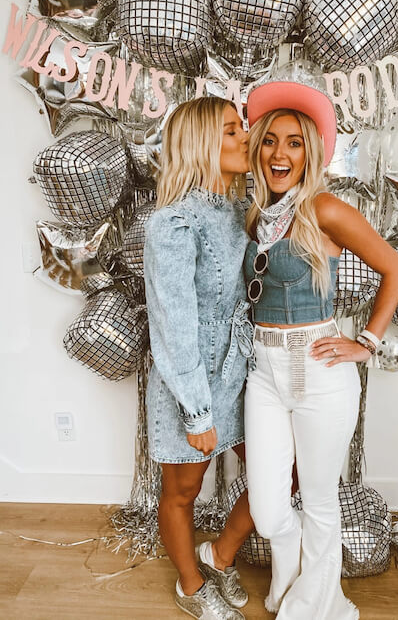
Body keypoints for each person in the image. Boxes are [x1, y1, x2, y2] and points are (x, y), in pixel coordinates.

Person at [243, 78, 398, 619]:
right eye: (270, 141)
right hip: (263, 372)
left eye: (293, 142)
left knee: (318, 500)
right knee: (269, 514)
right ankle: (290, 566)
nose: (279, 153)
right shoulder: (253, 217)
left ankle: (314, 608)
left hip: (318, 368)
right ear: (258, 147)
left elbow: (395, 269)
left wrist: (367, 343)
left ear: (309, 152)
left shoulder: (326, 209)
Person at [143, 97, 255, 620]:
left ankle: (222, 554)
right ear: (203, 142)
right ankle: (191, 586)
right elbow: (174, 325)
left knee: (279, 474)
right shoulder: (174, 222)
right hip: (192, 376)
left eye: (242, 128)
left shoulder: (239, 209)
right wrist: (197, 410)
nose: (246, 138)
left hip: (242, 368)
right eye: (232, 131)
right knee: (184, 488)